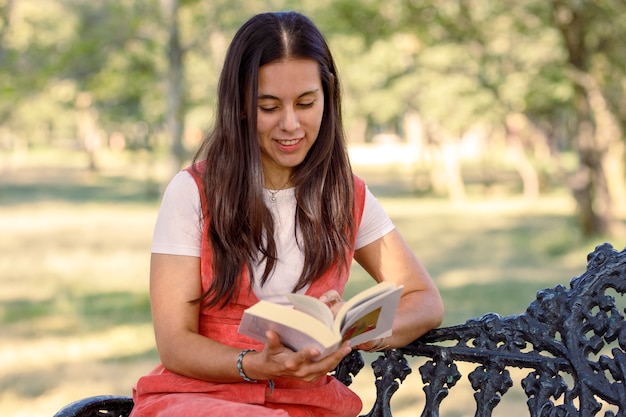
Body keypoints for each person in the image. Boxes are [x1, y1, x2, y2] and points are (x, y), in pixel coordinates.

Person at [130, 11, 443, 417]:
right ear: (240, 106)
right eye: (269, 106)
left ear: (327, 100)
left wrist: (355, 334)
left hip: (307, 404)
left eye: (306, 103)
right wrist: (251, 365)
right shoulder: (192, 193)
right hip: (201, 400)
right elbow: (175, 343)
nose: (291, 124)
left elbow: (424, 300)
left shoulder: (346, 195)